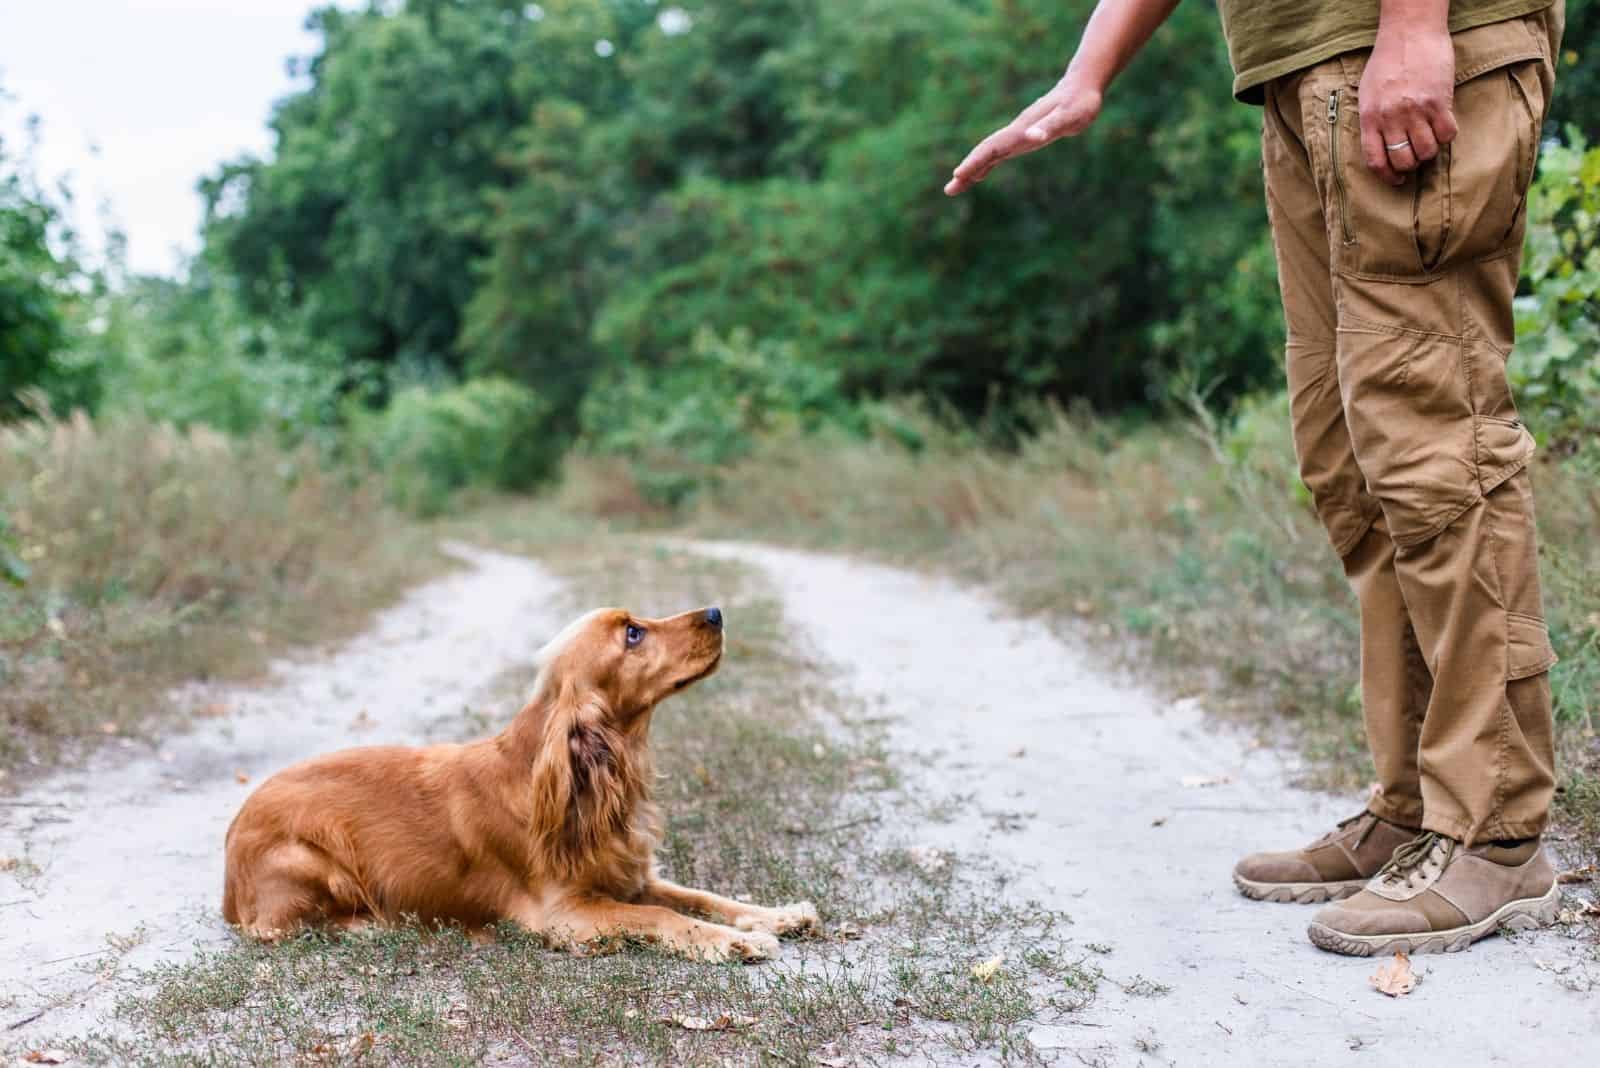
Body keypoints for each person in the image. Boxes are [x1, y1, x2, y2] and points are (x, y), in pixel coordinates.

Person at [946, 0, 1566, 956]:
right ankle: (1413, 809)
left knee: (1435, 443)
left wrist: (1411, 24)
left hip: (1406, 46)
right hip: (1300, 68)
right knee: (1352, 463)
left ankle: (1496, 829)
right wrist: (1090, 70)